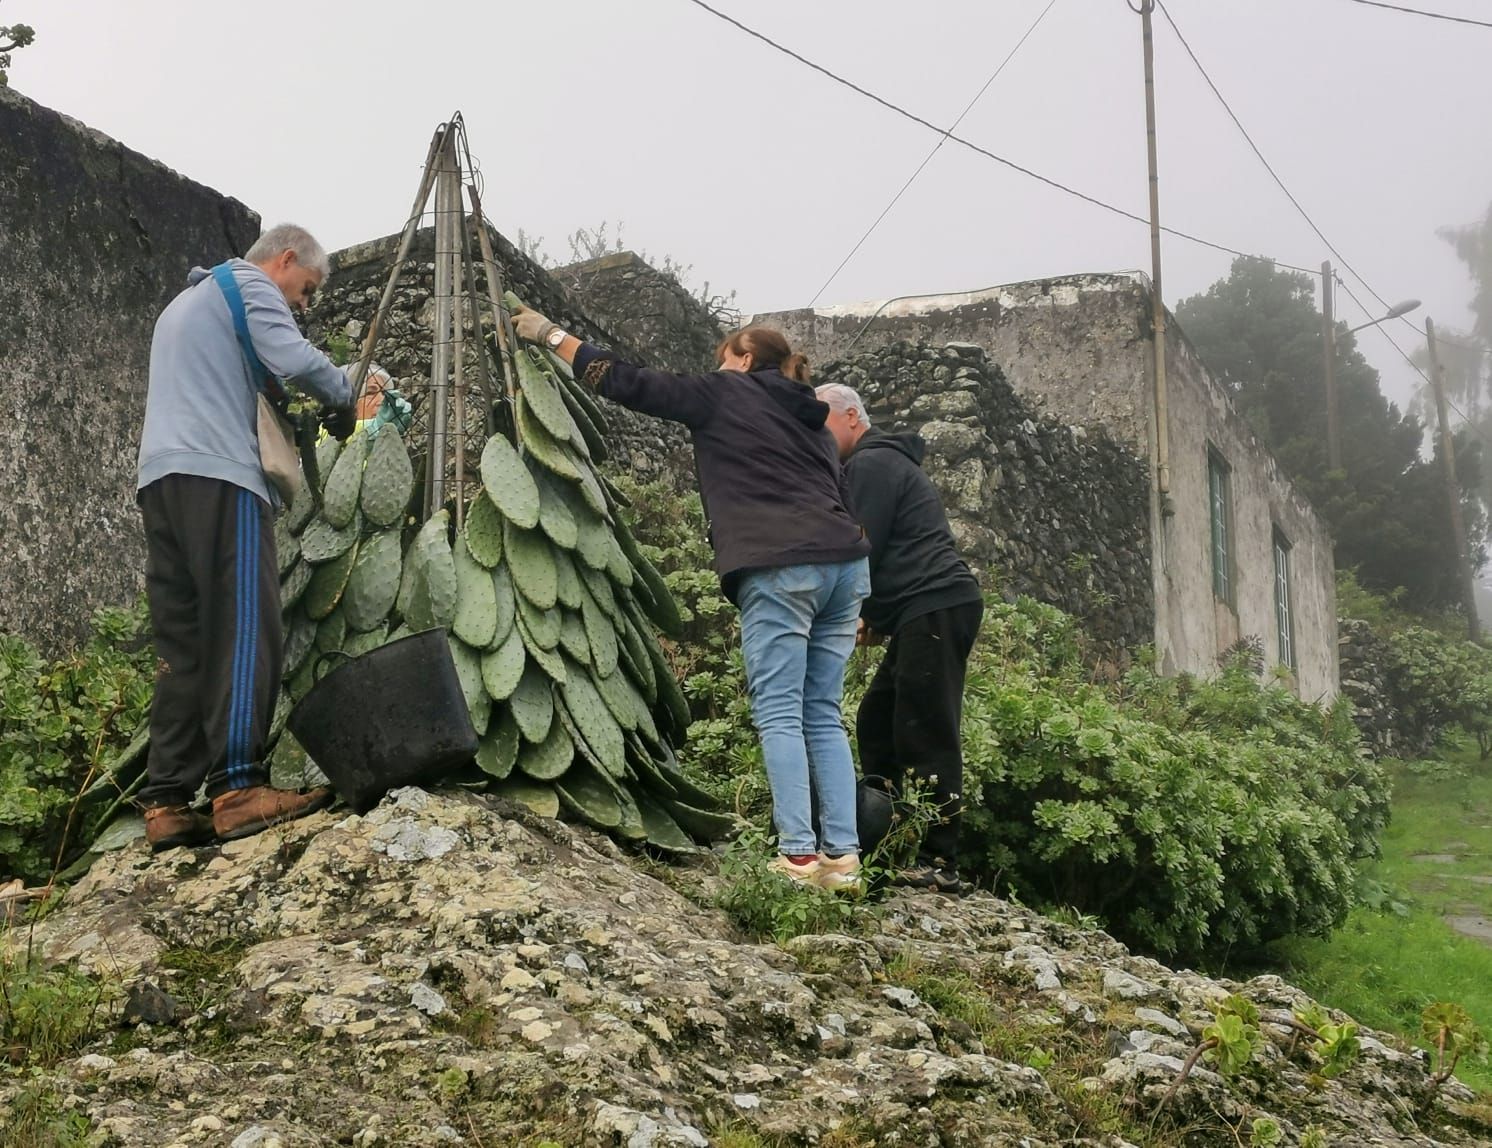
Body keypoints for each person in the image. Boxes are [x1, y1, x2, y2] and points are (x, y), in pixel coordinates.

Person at [510, 307, 871, 891]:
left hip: (781, 564)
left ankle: (800, 858)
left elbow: (633, 383)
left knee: (780, 710)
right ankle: (842, 860)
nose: (718, 369)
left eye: (724, 359)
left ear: (745, 359)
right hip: (847, 566)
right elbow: (837, 490)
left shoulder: (727, 393)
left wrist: (551, 336)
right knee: (822, 713)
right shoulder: (812, 419)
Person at [136, 223, 357, 852]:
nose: (303, 306)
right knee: (245, 624)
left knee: (184, 645)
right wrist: (348, 387)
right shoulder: (248, 282)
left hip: (162, 480)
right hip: (221, 477)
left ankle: (167, 800)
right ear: (284, 260)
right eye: (307, 290)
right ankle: (238, 788)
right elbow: (296, 360)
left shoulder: (185, 304)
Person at [816, 382, 984, 894]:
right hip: (925, 606)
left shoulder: (870, 464)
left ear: (850, 417)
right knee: (877, 719)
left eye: (820, 423)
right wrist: (879, 617)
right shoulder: (881, 464)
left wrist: (847, 611)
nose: (816, 436)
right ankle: (886, 836)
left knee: (925, 726)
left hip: (935, 603)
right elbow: (895, 551)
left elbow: (860, 546)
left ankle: (939, 860)